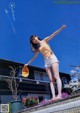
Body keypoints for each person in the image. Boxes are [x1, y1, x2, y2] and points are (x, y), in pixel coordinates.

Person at [25, 25, 66, 101]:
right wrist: (28, 63)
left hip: (52, 57)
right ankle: (53, 97)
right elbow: (34, 57)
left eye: (34, 38)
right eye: (33, 40)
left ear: (37, 37)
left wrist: (61, 28)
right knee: (51, 80)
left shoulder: (45, 40)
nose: (34, 40)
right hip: (46, 61)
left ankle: (59, 95)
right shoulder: (38, 48)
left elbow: (53, 34)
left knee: (56, 76)